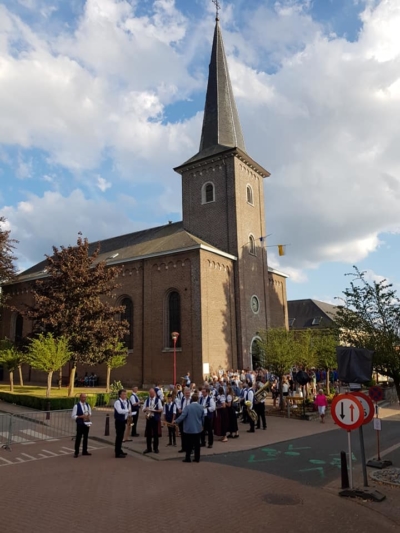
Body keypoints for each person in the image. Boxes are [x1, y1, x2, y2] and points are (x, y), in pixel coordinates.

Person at [175, 393, 204, 463]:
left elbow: (183, 416)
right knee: (197, 444)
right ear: (198, 399)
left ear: (191, 399)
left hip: (189, 429)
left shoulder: (188, 407)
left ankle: (188, 458)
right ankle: (197, 458)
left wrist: (176, 421)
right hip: (198, 428)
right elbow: (202, 418)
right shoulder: (201, 407)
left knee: (189, 444)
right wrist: (202, 425)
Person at [71, 393, 92, 458]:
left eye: (85, 397)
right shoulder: (76, 406)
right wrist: (80, 416)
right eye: (83, 397)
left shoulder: (87, 405)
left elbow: (90, 412)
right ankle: (76, 452)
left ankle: (84, 451)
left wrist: (89, 415)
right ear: (80, 398)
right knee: (78, 438)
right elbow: (73, 416)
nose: (84, 399)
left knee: (85, 437)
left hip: (86, 423)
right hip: (80, 424)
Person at [143, 388, 163, 454]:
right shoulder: (147, 400)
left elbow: (161, 409)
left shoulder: (158, 400)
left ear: (154, 393)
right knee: (148, 434)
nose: (151, 395)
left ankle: (156, 448)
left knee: (155, 434)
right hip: (149, 418)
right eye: (150, 393)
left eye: (152, 393)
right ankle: (149, 448)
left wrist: (155, 411)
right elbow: (143, 409)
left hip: (155, 418)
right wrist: (146, 409)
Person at [114, 389, 130, 458]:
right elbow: (120, 411)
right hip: (119, 421)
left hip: (123, 420)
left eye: (125, 394)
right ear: (120, 395)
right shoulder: (117, 402)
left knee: (121, 437)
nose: (125, 395)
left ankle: (120, 450)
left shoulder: (125, 402)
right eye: (123, 394)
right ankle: (117, 452)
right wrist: (127, 411)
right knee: (119, 436)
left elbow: (126, 411)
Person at [178, 388, 192, 453]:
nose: (187, 394)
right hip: (183, 418)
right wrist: (179, 409)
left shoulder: (191, 400)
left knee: (189, 434)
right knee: (183, 433)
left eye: (188, 393)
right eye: (186, 393)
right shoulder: (182, 399)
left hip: (189, 418)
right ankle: (183, 447)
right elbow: (179, 406)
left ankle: (190, 448)